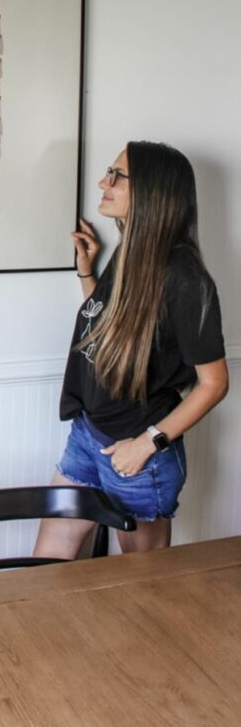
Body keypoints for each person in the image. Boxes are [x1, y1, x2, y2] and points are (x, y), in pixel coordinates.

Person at [34, 141, 228, 558]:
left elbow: (214, 384)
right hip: (88, 435)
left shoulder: (187, 280)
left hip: (140, 454)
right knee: (45, 571)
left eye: (117, 176)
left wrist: (147, 443)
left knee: (143, 593)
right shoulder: (131, 251)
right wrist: (87, 272)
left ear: (153, 191)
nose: (104, 182)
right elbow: (109, 324)